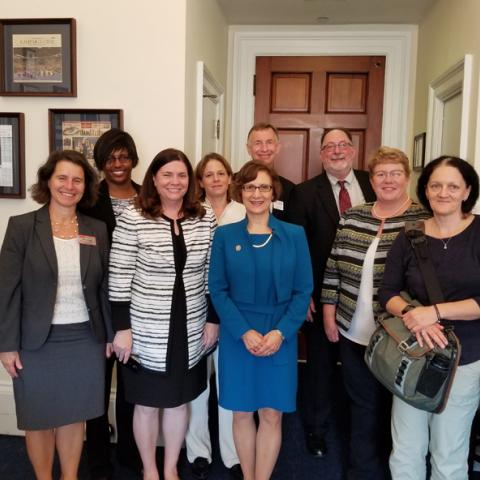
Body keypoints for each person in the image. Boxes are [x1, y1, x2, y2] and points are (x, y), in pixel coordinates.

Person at [0, 150, 112, 480]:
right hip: (35, 341)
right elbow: (7, 289)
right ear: (48, 181)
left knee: (74, 414)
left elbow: (105, 286)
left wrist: (106, 334)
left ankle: (70, 476)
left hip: (84, 338)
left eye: (77, 180)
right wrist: (6, 345)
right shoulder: (22, 227)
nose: (69, 185)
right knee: (38, 417)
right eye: (62, 178)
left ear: (86, 187)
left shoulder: (97, 229)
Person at [320, 146, 429, 479]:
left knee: (400, 410)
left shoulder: (423, 219)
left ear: (407, 177)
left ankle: (397, 470)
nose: (388, 180)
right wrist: (329, 311)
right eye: (381, 173)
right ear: (372, 179)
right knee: (362, 407)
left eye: (395, 173)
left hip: (401, 336)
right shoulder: (354, 215)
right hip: (353, 330)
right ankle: (362, 472)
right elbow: (334, 266)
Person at [108, 148, 217, 480]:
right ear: (154, 179)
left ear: (190, 180)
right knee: (146, 404)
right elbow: (119, 274)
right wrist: (122, 327)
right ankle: (150, 470)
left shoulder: (205, 216)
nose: (175, 182)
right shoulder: (134, 216)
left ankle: (171, 468)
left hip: (191, 324)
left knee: (178, 401)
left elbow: (214, 273)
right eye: (167, 174)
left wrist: (213, 319)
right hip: (145, 328)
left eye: (182, 175)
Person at [209, 160, 313, 480]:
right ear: (240, 192)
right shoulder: (225, 236)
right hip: (238, 336)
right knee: (241, 413)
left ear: (273, 193)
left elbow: (303, 290)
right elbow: (217, 289)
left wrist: (281, 333)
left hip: (279, 335)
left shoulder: (294, 235)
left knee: (271, 414)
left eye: (263, 187)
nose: (257, 193)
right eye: (250, 187)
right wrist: (244, 332)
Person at [378, 156, 480, 480]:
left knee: (448, 452)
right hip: (414, 355)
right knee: (406, 448)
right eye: (435, 185)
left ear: (467, 191)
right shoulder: (409, 235)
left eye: (453, 186)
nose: (443, 192)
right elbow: (388, 294)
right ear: (426, 190)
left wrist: (434, 313)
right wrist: (412, 314)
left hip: (466, 357)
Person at [286, 127, 376, 458]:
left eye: (343, 145)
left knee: (365, 366)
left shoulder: (374, 183)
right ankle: (316, 429)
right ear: (321, 154)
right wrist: (304, 293)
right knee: (321, 366)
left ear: (353, 150)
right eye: (329, 147)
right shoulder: (305, 192)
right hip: (321, 292)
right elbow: (297, 250)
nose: (337, 151)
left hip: (368, 296)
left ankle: (363, 430)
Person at [80, 128, 142, 479]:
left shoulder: (149, 196)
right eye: (110, 158)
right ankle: (99, 460)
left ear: (133, 159)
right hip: (97, 304)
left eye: (124, 157)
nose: (118, 164)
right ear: (101, 163)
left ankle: (131, 455)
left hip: (140, 305)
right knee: (97, 385)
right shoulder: (89, 200)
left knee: (133, 387)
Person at [186, 153, 245, 480]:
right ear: (201, 181)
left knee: (229, 383)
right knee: (198, 384)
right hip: (197, 307)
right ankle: (198, 451)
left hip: (234, 309)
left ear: (229, 177)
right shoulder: (191, 213)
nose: (216, 179)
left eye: (220, 173)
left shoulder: (243, 211)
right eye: (208, 175)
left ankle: (232, 453)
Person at [246, 122, 294, 219]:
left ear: (277, 148)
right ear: (248, 149)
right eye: (257, 143)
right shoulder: (233, 183)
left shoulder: (290, 190)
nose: (264, 149)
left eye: (269, 142)